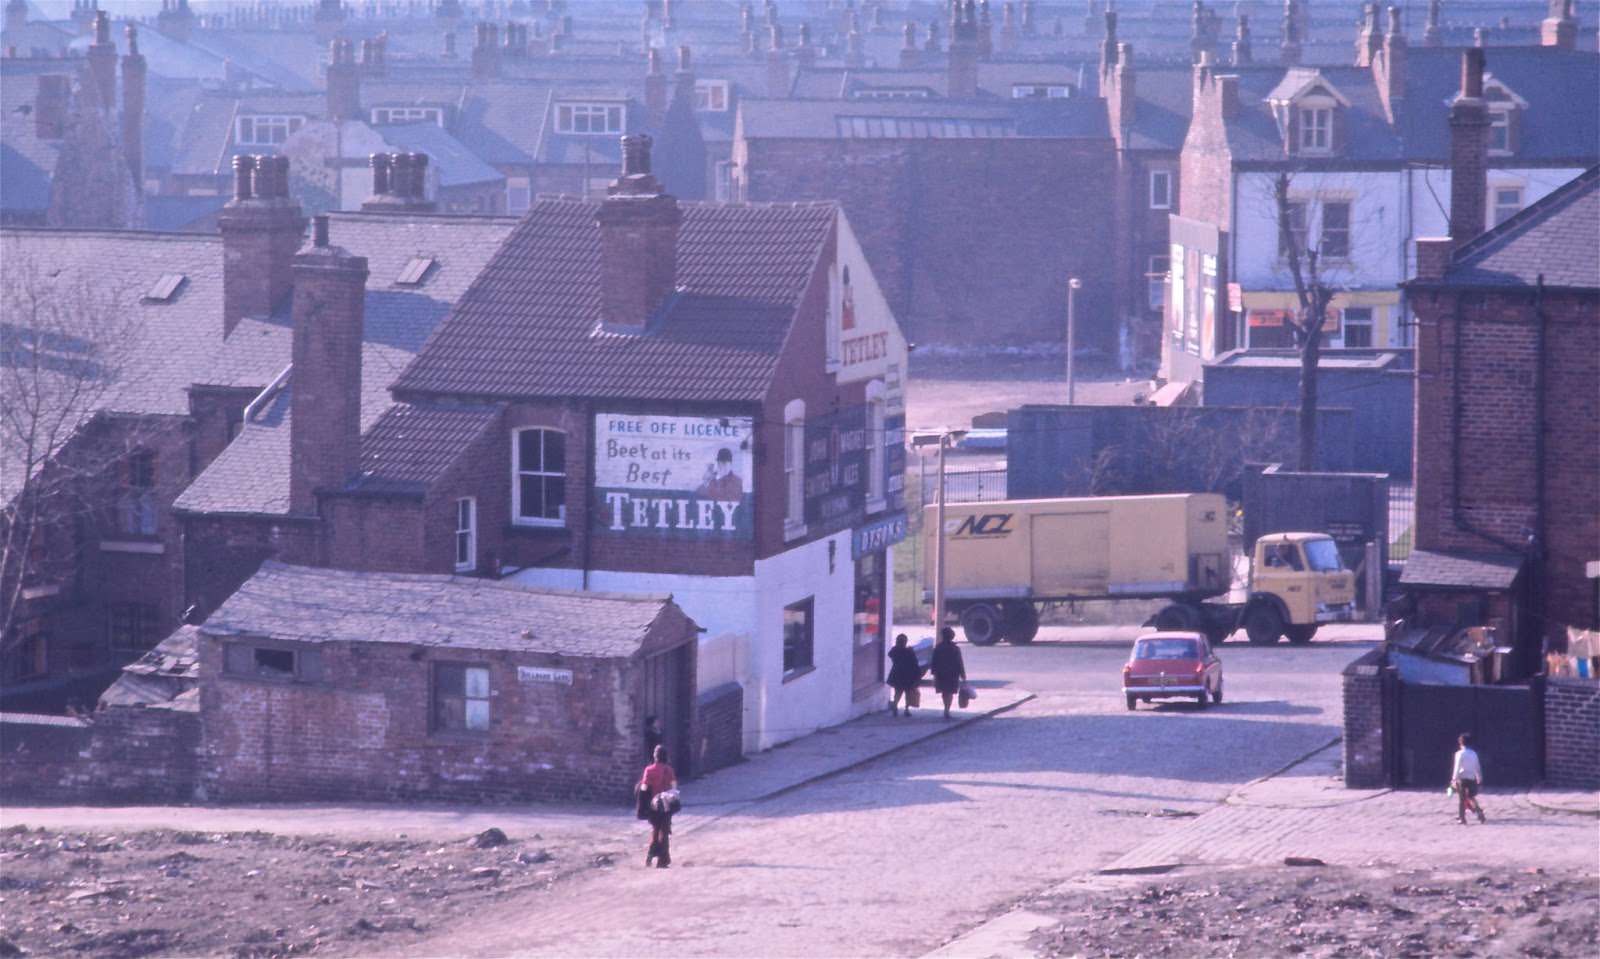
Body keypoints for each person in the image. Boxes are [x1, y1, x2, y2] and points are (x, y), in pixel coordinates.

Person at [640, 745, 678, 867]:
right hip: (666, 804)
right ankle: (663, 860)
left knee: (655, 830)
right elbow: (674, 787)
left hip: (653, 805)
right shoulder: (669, 770)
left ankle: (650, 855)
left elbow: (644, 787)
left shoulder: (649, 770)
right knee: (664, 831)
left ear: (655, 757)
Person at [930, 626, 967, 720]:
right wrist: (963, 674)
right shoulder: (955, 649)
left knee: (944, 692)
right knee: (950, 692)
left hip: (941, 673)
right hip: (952, 674)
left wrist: (934, 674)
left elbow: (934, 662)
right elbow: (959, 662)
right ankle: (947, 709)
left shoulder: (938, 648)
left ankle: (945, 708)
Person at [1451, 733, 1487, 824]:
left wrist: (1454, 779)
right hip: (1471, 777)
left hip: (1462, 778)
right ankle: (1480, 813)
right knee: (1471, 797)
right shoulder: (1474, 754)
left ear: (1460, 743)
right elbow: (1477, 766)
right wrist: (1479, 776)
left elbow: (1457, 767)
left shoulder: (1459, 754)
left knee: (1462, 799)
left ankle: (1462, 818)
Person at [886, 633, 922, 717]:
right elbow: (915, 664)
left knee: (897, 692)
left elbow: (890, 654)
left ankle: (895, 705)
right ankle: (906, 709)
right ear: (905, 642)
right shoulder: (909, 652)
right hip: (908, 675)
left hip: (897, 673)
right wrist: (918, 675)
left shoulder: (894, 651)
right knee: (908, 693)